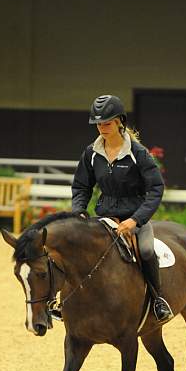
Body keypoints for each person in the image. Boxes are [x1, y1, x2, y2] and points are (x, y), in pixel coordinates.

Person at [72, 94, 174, 323]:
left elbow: (156, 188)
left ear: (120, 122)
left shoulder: (138, 154)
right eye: (98, 123)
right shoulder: (91, 153)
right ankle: (67, 302)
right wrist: (78, 210)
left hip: (134, 219)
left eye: (106, 123)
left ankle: (158, 300)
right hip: (104, 217)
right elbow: (81, 186)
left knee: (147, 250)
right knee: (75, 249)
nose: (102, 128)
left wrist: (136, 220)